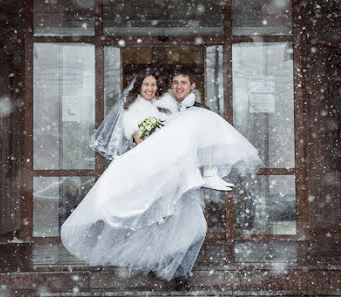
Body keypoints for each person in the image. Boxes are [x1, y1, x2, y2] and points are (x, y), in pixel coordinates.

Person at [60, 68, 262, 291]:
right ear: (138, 87)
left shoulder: (168, 106)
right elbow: (141, 143)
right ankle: (176, 273)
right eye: (146, 85)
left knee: (195, 226)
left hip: (178, 177)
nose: (150, 88)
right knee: (162, 225)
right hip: (155, 177)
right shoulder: (132, 113)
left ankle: (178, 270)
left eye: (153, 84)